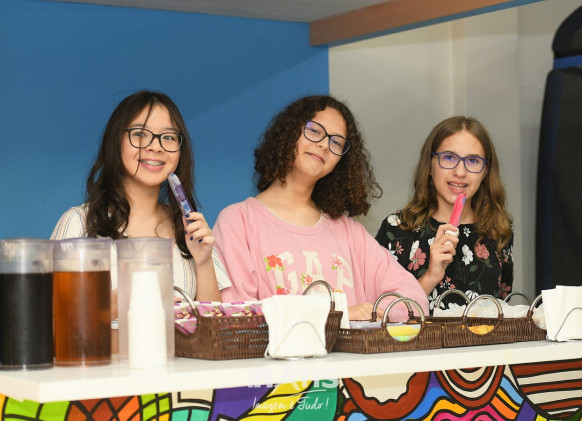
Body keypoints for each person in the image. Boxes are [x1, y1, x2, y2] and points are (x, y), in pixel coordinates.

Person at [213, 95, 428, 321]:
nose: (325, 145)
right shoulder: (238, 222)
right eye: (315, 131)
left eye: (336, 143)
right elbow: (238, 316)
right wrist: (340, 315)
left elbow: (412, 301)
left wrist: (372, 316)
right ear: (289, 133)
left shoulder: (350, 233)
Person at [51, 90, 230, 304]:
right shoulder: (78, 223)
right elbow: (52, 315)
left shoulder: (188, 228)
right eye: (139, 134)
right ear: (115, 141)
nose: (155, 146)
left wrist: (203, 262)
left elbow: (213, 321)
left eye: (168, 137)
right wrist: (125, 304)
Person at [375, 116, 513, 312]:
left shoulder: (499, 230)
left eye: (473, 160)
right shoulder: (396, 228)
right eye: (449, 157)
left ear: (485, 172)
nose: (460, 172)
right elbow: (380, 313)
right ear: (430, 165)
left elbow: (502, 304)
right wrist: (431, 276)